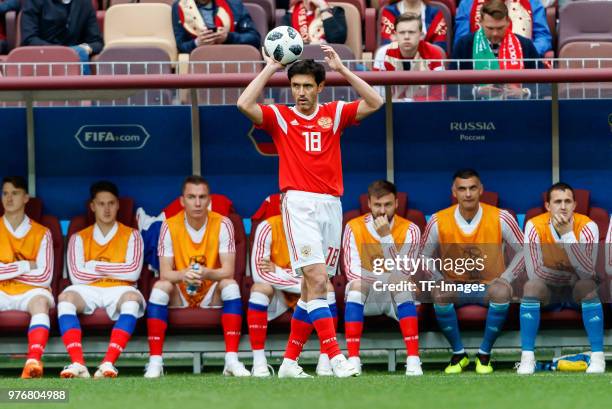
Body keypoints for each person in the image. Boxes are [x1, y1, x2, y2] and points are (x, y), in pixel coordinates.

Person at [237, 45, 384, 377]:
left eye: (307, 86)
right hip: (299, 203)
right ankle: (335, 357)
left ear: (320, 87)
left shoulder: (334, 113)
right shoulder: (281, 117)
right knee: (317, 278)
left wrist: (343, 70)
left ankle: (289, 362)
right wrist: (270, 68)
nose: (301, 92)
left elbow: (376, 102)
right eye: (296, 86)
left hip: (331, 205)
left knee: (313, 288)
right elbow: (244, 104)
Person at [144, 175, 249, 378]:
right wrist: (184, 275)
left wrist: (206, 273)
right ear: (182, 201)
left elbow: (228, 270)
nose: (198, 203)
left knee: (230, 284)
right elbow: (165, 272)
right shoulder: (169, 225)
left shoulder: (223, 223)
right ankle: (155, 363)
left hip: (210, 290)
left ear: (209, 199)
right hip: (181, 291)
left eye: (202, 197)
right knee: (160, 286)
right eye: (192, 197)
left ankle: (232, 360)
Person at [421, 169, 524, 374]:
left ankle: (484, 354)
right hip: (455, 286)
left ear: (481, 190)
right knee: (440, 293)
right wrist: (438, 279)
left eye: (472, 188)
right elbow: (422, 256)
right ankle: (459, 354)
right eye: (462, 189)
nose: (468, 194)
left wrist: (506, 278)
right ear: (454, 192)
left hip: (488, 286)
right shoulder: (438, 220)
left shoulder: (501, 217)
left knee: (502, 292)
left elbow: (525, 251)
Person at [58, 181, 145, 379]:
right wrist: (116, 268)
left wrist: (94, 265)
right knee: (66, 298)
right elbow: (77, 275)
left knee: (132, 299)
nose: (106, 209)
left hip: (121, 289)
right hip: (88, 290)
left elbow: (132, 273)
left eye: (111, 203)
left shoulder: (132, 235)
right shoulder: (78, 237)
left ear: (118, 205)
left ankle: (108, 363)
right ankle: (78, 363)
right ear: (92, 206)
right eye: (101, 204)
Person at [517, 183, 605, 374]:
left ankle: (598, 358)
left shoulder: (588, 226)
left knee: (587, 285)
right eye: (557, 202)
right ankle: (527, 359)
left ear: (575, 204)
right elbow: (535, 272)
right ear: (548, 206)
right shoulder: (534, 225)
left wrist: (567, 235)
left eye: (567, 201)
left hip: (577, 293)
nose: (563, 206)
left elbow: (587, 273)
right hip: (548, 293)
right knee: (531, 286)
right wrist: (568, 277)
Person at [342, 180, 422, 376]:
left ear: (396, 203)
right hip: (367, 296)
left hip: (395, 297)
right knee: (356, 285)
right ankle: (353, 360)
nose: (382, 210)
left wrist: (386, 237)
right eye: (377, 205)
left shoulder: (411, 229)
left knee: (401, 283)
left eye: (387, 204)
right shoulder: (353, 227)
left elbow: (404, 271)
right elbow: (351, 271)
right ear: (369, 204)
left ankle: (413, 359)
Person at [248, 211, 338, 377]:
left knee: (329, 288)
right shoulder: (267, 227)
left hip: (304, 292)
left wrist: (280, 271)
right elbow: (260, 274)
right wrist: (306, 282)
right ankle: (259, 362)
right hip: (279, 294)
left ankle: (325, 361)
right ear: (283, 203)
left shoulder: (314, 228)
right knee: (260, 289)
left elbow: (323, 274)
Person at [0, 176, 53, 379]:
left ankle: (33, 361)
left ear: (26, 198)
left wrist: (6, 270)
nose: (9, 198)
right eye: (5, 193)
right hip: (2, 291)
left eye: (15, 193)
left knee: (41, 301)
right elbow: (35, 271)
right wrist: (25, 265)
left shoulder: (42, 233)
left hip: (31, 292)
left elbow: (45, 276)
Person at [449, 0, 542, 100]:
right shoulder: (464, 45)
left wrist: (524, 92)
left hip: (518, 109)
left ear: (508, 22)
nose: (495, 33)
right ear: (480, 22)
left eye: (500, 28)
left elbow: (545, 86)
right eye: (490, 28)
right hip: (474, 110)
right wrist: (477, 91)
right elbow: (451, 88)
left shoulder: (525, 45)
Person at [373, 12, 445, 101]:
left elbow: (438, 97)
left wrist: (406, 101)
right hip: (391, 111)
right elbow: (377, 97)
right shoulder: (383, 53)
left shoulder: (434, 53)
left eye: (411, 32)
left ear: (421, 35)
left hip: (424, 110)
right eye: (402, 33)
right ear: (394, 36)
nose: (406, 37)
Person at [21, 0, 103, 67]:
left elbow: (97, 42)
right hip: (43, 58)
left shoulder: (85, 3)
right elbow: (29, 39)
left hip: (75, 57)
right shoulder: (33, 2)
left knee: (80, 53)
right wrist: (62, 52)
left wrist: (84, 48)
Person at [454, 0, 551, 57]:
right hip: (478, 60)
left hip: (522, 59)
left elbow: (543, 37)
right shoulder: (468, 4)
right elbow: (461, 42)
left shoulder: (532, 2)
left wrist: (524, 52)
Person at [172, 0, 260, 54]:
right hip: (200, 59)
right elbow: (180, 46)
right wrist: (197, 43)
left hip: (231, 56)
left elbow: (254, 38)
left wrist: (228, 37)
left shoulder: (234, 4)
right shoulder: (180, 6)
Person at [380, 0, 447, 52]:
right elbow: (388, 46)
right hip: (396, 63)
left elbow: (440, 48)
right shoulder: (389, 12)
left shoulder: (436, 13)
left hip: (428, 63)